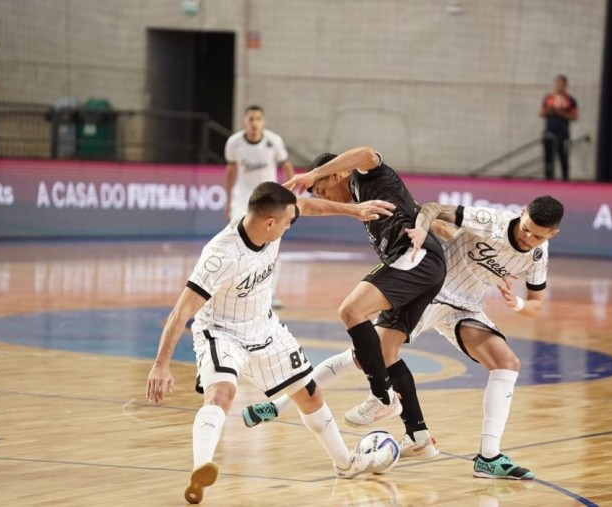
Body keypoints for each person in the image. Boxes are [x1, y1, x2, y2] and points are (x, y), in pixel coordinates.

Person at [243, 195, 565, 481]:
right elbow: (432, 208)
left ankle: (488, 457)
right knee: (364, 354)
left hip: (466, 308)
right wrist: (427, 227)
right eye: (525, 228)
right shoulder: (490, 221)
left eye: (537, 236)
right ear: (521, 213)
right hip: (431, 291)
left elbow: (536, 304)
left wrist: (518, 304)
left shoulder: (538, 256)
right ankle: (283, 403)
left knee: (507, 363)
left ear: (552, 234)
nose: (527, 238)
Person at [145, 182, 398, 504]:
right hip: (221, 332)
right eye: (288, 221)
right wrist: (160, 365)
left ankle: (346, 464)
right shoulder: (221, 255)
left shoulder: (271, 221)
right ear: (269, 223)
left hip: (264, 329)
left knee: (309, 395)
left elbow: (308, 207)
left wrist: (353, 210)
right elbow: (181, 312)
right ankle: (202, 467)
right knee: (222, 393)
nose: (292, 224)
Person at [283, 147, 447, 457]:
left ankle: (382, 396)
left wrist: (312, 174)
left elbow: (366, 152)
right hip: (421, 268)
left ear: (337, 174)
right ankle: (419, 436)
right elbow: (311, 207)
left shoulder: (368, 177)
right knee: (385, 352)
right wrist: (297, 198)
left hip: (417, 259)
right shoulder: (358, 204)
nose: (325, 196)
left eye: (324, 189)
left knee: (351, 310)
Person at [224, 105, 294, 309]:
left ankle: (269, 294)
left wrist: (292, 196)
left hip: (269, 200)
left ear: (263, 122)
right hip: (242, 200)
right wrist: (228, 200)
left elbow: (287, 166)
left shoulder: (274, 142)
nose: (254, 123)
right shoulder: (234, 143)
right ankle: (237, 288)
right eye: (250, 119)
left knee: (271, 244)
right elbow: (230, 170)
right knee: (237, 242)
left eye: (258, 119)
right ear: (245, 121)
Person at [539, 75, 578, 181]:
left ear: (565, 85)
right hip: (550, 132)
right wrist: (551, 110)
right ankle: (548, 180)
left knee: (563, 158)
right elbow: (541, 113)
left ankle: (565, 180)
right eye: (557, 83)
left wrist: (561, 113)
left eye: (561, 83)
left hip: (563, 133)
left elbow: (574, 116)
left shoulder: (570, 100)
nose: (559, 86)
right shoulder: (549, 98)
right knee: (548, 159)